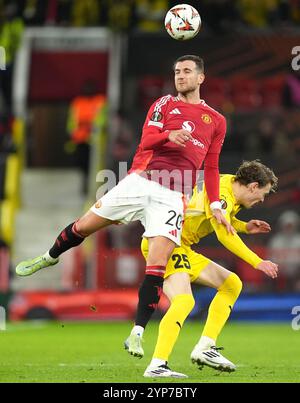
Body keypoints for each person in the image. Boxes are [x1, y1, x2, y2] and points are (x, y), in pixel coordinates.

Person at [16, 55, 232, 341]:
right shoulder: (164, 104)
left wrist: (215, 204)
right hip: (141, 182)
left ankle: (138, 332)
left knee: (156, 264)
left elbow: (213, 166)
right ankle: (49, 257)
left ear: (201, 77)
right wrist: (170, 134)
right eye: (177, 71)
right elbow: (146, 141)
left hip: (173, 196)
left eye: (187, 71)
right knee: (84, 226)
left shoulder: (216, 120)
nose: (180, 76)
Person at [137, 160, 278, 378]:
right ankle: (157, 364)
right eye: (263, 193)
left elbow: (218, 216)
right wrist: (257, 261)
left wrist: (244, 227)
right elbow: (223, 233)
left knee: (231, 284)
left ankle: (206, 347)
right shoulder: (222, 193)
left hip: (180, 246)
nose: (261, 199)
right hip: (166, 244)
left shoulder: (227, 183)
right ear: (253, 186)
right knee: (184, 301)